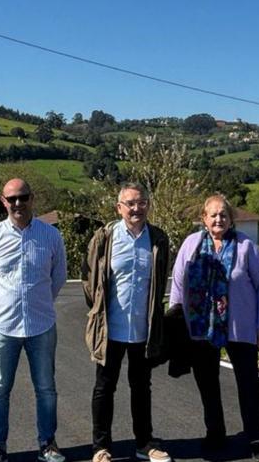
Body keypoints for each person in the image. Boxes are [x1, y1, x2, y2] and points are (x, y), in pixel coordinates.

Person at [170, 194, 259, 462]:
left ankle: (255, 437)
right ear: (204, 218)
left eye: (223, 214)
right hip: (201, 327)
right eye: (213, 215)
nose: (219, 219)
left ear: (231, 218)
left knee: (248, 383)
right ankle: (215, 432)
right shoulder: (191, 245)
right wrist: (177, 323)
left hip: (240, 327)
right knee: (207, 383)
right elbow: (178, 286)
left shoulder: (246, 246)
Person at [0, 178, 68, 462]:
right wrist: (11, 301)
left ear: (32, 198)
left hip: (41, 325)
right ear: (3, 201)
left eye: (23, 197)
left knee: (46, 389)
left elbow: (59, 277)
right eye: (12, 198)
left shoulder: (51, 235)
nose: (18, 203)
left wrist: (36, 301)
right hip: (2, 327)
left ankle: (48, 443)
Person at [81, 182, 172, 462]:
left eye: (141, 202)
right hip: (111, 329)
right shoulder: (105, 238)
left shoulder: (158, 238)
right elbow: (89, 281)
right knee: (104, 388)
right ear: (119, 208)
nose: (136, 208)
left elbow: (160, 282)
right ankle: (101, 448)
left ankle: (144, 443)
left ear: (148, 205)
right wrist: (97, 311)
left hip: (143, 330)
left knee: (142, 388)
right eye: (130, 203)